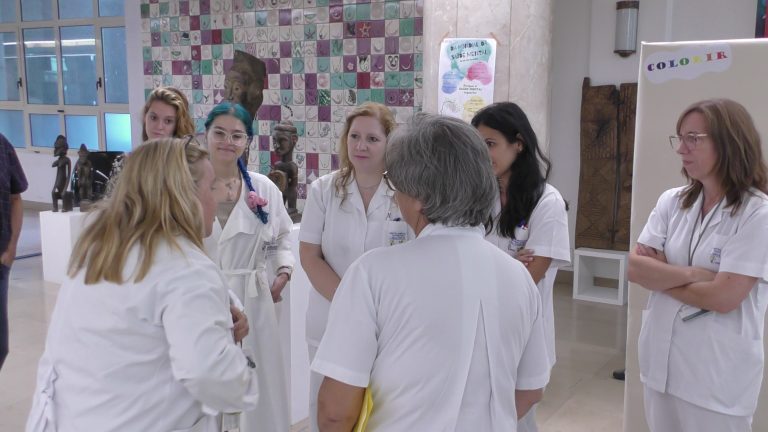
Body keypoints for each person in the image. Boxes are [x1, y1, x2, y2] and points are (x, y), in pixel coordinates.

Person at [312, 113, 550, 431]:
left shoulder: (373, 273)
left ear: (420, 199)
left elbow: (335, 411)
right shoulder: (517, 276)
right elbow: (531, 389)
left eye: (396, 186)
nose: (396, 197)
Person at [26, 137, 258, 431]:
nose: (218, 197)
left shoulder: (99, 250)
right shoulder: (187, 269)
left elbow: (139, 313)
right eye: (211, 187)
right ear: (183, 194)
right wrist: (243, 371)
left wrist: (220, 310)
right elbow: (209, 375)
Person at [628, 98, 768, 432]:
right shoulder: (672, 201)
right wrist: (694, 275)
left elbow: (724, 297)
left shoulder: (757, 213)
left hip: (716, 378)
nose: (681, 149)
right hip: (661, 364)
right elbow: (635, 269)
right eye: (680, 138)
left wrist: (662, 276)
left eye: (693, 138)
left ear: (729, 141)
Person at [299, 102, 410, 432]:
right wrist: (350, 301)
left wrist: (368, 309)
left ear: (389, 143)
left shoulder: (405, 194)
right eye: (355, 136)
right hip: (330, 316)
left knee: (382, 410)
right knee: (327, 409)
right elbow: (309, 255)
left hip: (386, 322)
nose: (361, 145)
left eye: (372, 139)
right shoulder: (324, 190)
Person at [471, 102, 570, 432]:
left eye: (490, 143)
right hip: (477, 326)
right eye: (477, 144)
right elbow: (461, 260)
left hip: (522, 332)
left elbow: (529, 279)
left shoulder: (547, 202)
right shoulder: (476, 197)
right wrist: (510, 265)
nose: (483, 154)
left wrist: (489, 268)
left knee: (516, 419)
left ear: (519, 144)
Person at [202, 101, 294, 432]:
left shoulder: (263, 188)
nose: (228, 142)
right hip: (204, 299)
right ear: (205, 135)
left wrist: (283, 270)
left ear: (248, 141)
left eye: (237, 135)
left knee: (259, 386)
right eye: (220, 133)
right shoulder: (188, 187)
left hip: (254, 302)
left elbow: (282, 237)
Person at [0, 133, 28, 371]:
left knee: (1, 346)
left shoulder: (2, 145)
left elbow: (16, 198)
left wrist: (11, 249)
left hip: (0, 261)